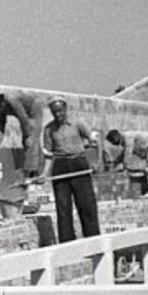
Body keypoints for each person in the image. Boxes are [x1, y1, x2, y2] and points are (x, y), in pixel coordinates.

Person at [40, 97, 100, 242]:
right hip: (60, 166)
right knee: (63, 206)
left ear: (65, 109)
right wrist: (44, 174)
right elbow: (49, 155)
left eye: (60, 111)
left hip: (79, 163)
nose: (58, 115)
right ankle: (67, 242)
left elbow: (96, 143)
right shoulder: (48, 129)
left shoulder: (78, 123)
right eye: (54, 112)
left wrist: (95, 162)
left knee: (86, 204)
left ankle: (93, 240)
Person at [105, 129, 148, 196]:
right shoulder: (125, 139)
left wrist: (123, 166)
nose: (113, 144)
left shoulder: (127, 138)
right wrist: (116, 161)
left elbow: (127, 156)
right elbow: (124, 153)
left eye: (112, 142)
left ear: (115, 138)